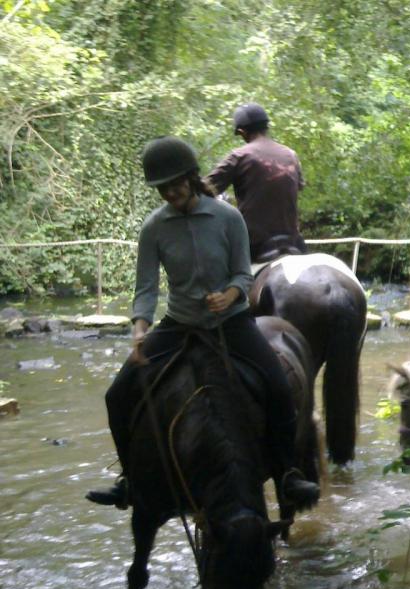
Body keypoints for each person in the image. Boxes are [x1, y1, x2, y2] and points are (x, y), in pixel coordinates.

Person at [86, 136, 320, 510]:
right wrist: (140, 325)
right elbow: (145, 286)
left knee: (278, 387)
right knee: (117, 394)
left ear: (192, 177)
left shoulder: (228, 218)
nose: (169, 193)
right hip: (179, 323)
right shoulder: (154, 228)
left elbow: (243, 275)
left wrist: (230, 294)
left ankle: (288, 473)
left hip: (230, 322)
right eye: (162, 188)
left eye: (175, 184)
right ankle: (130, 480)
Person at [205, 103, 306, 262]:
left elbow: (205, 189)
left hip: (253, 243)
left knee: (219, 274)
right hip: (293, 240)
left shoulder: (239, 156)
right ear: (266, 127)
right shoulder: (291, 154)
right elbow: (298, 186)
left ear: (241, 132)